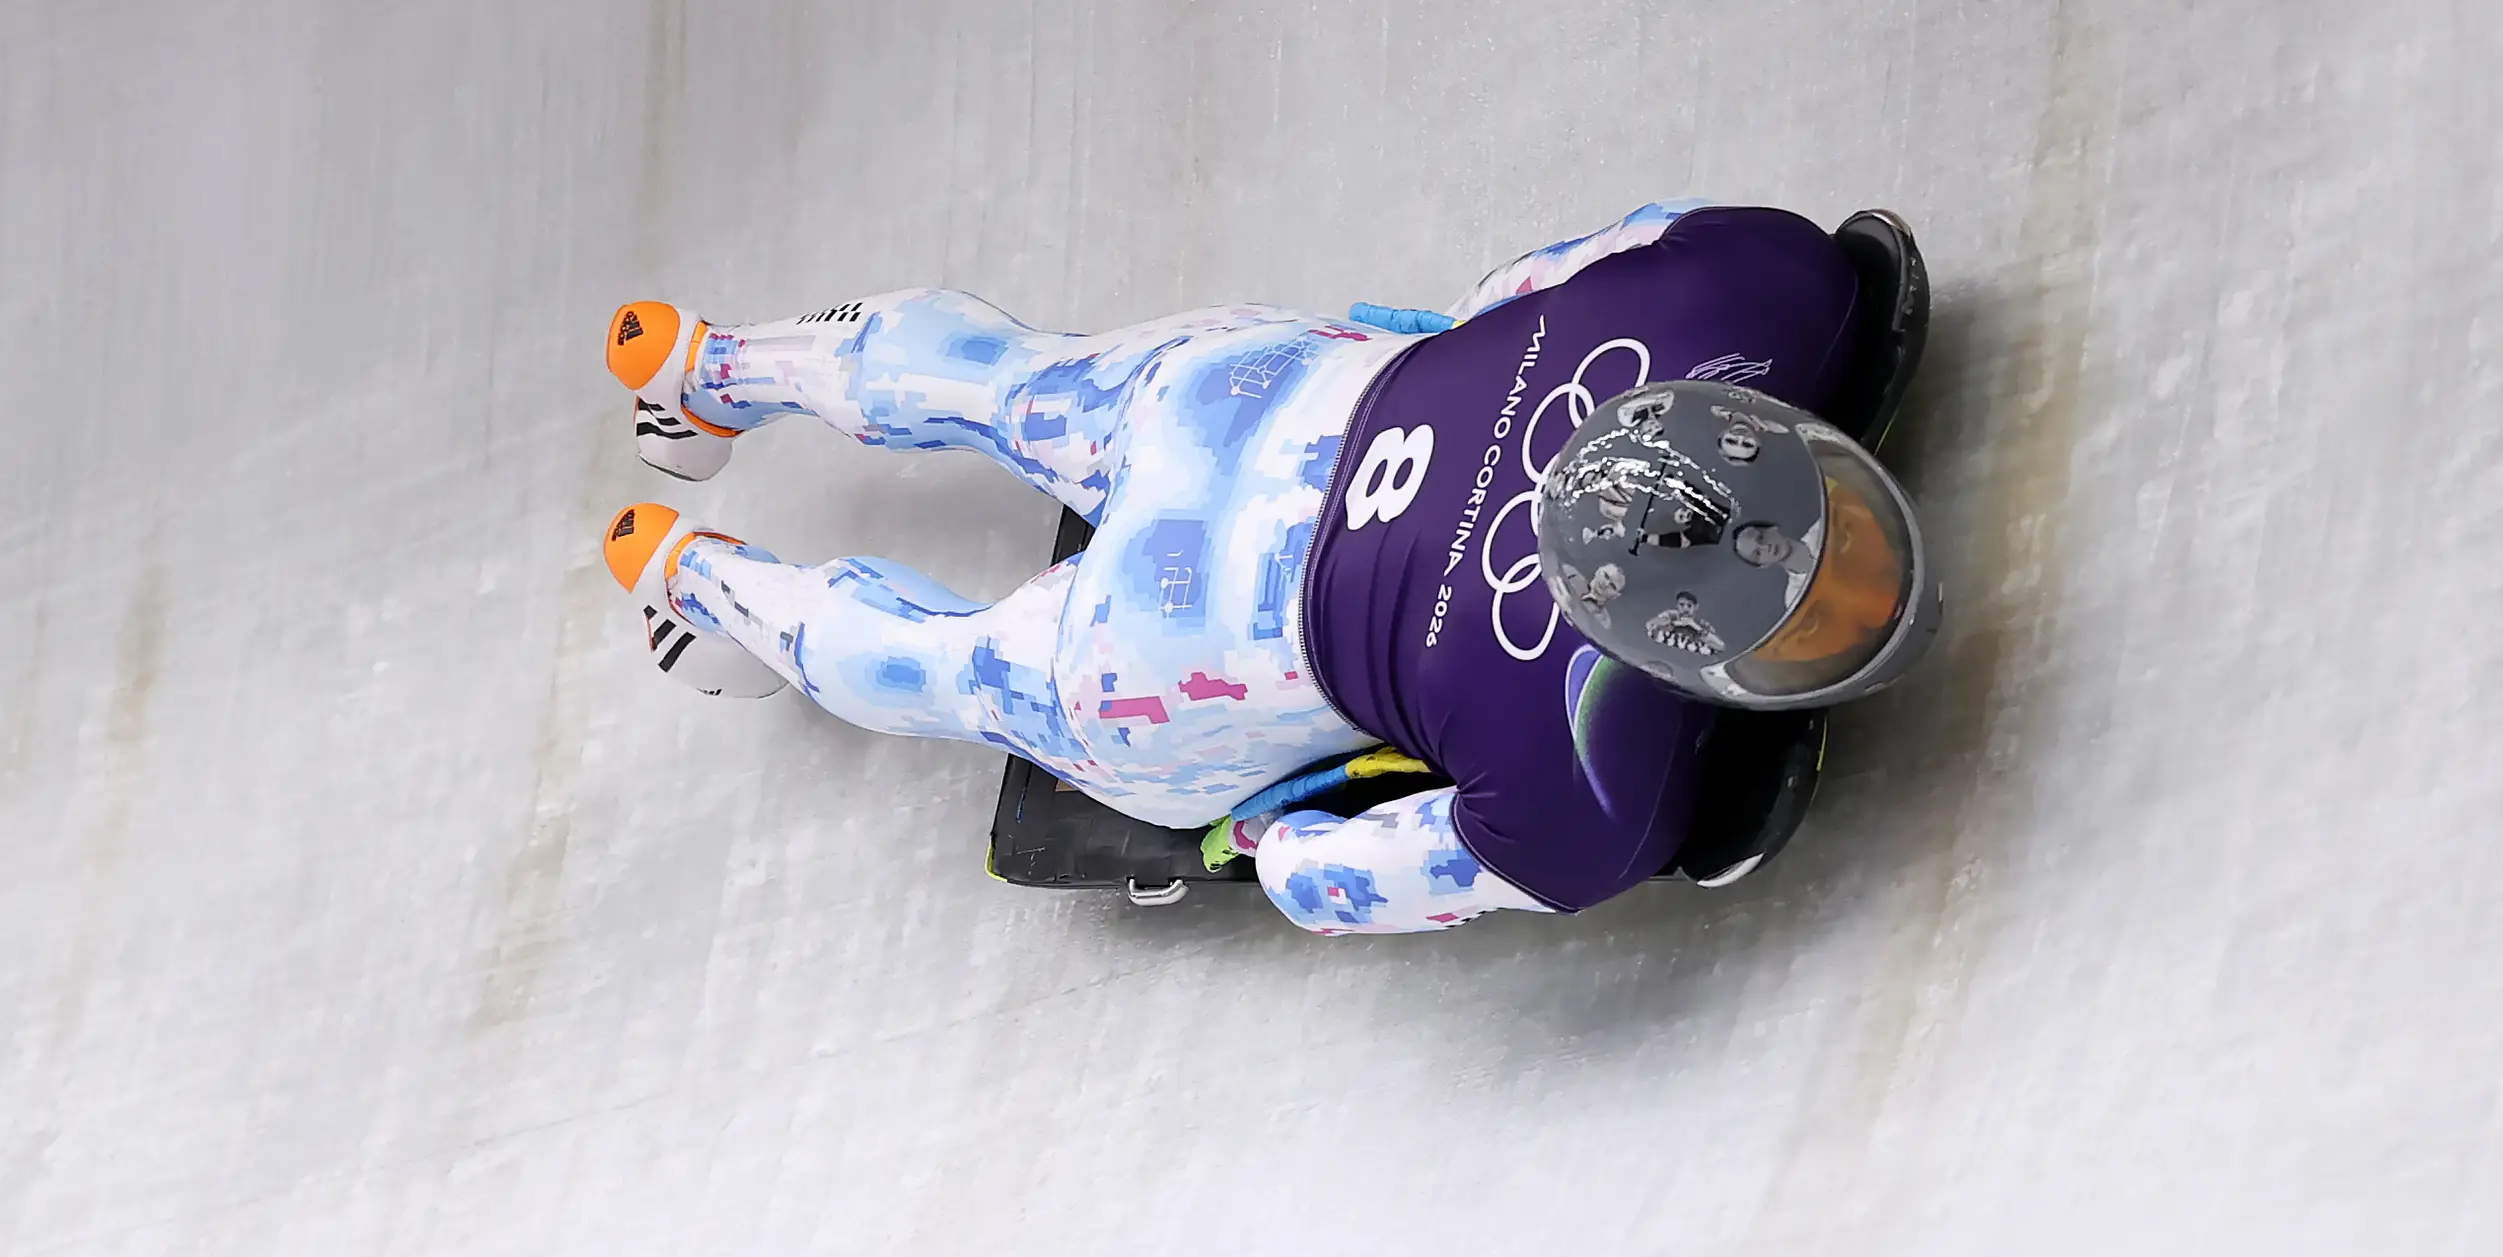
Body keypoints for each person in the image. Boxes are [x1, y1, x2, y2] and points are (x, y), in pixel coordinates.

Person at [598, 202, 1874, 934]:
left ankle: (702, 366)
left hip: (1240, 396)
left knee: (1012, 380)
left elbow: (1511, 285)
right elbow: (1315, 883)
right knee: (964, 670)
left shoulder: (1763, 282)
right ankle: (697, 583)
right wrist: (1276, 830)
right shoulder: (1588, 795)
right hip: (1174, 654)